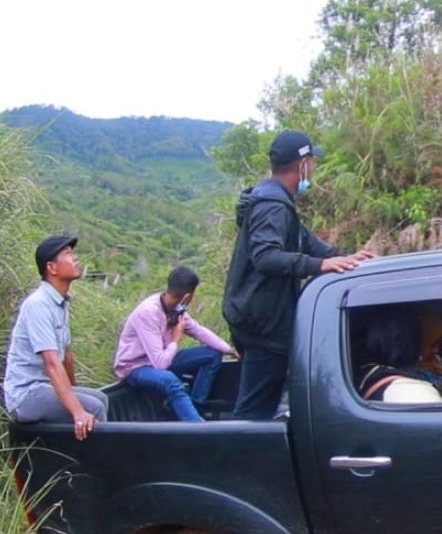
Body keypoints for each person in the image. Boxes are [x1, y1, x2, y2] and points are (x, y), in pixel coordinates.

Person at [223, 130, 376, 419]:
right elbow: (265, 256)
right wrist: (318, 266)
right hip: (264, 325)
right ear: (302, 164)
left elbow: (303, 239)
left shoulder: (274, 199)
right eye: (312, 161)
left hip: (259, 320)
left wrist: (340, 257)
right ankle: (239, 461)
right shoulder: (272, 205)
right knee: (253, 411)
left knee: (264, 402)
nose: (313, 168)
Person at [3, 236, 108, 440]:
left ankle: (79, 455)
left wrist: (76, 392)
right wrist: (77, 411)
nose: (76, 258)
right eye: (68, 254)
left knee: (100, 398)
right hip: (26, 395)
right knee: (92, 408)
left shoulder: (60, 302)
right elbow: (52, 362)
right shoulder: (39, 305)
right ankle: (95, 468)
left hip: (45, 388)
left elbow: (66, 356)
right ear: (52, 268)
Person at [113, 266, 238, 421]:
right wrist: (175, 339)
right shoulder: (149, 313)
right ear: (187, 296)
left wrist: (230, 350)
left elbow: (198, 331)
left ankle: (195, 407)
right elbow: (160, 364)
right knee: (170, 380)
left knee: (212, 355)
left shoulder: (176, 309)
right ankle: (197, 427)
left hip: (162, 359)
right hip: (136, 367)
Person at [358, 306, 442, 404]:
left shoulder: (368, 373)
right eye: (433, 344)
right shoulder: (411, 391)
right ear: (413, 341)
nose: (437, 350)